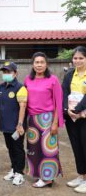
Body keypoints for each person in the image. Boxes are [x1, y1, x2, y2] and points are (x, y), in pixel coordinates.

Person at [24, 52, 63, 188]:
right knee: (34, 149)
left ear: (46, 64)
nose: (39, 65)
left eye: (42, 62)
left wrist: (55, 123)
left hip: (47, 118)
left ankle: (48, 178)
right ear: (33, 64)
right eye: (36, 62)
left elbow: (58, 102)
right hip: (32, 119)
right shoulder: (28, 80)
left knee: (48, 150)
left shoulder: (53, 80)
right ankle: (38, 174)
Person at [0, 62, 27, 186]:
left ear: (15, 73)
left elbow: (23, 107)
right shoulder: (1, 87)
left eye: (9, 72)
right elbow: (0, 106)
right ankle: (14, 169)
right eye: (4, 72)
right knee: (10, 148)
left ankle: (20, 173)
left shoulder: (20, 88)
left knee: (18, 148)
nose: (6, 74)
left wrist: (20, 124)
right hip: (5, 125)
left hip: (16, 126)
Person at [62, 46, 86, 193]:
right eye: (75, 58)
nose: (77, 61)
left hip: (83, 116)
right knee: (77, 147)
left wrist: (77, 110)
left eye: (81, 58)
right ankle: (81, 176)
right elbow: (64, 91)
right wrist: (67, 110)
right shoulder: (70, 74)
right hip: (72, 117)